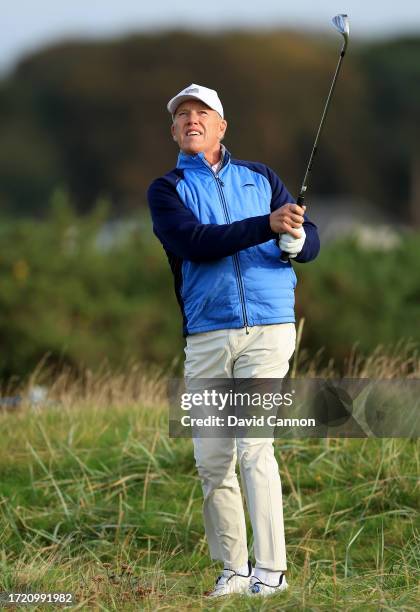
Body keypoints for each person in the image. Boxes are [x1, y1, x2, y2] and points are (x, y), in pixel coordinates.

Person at [147, 84, 320, 597]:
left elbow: (308, 241)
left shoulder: (261, 177)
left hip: (269, 328)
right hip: (206, 334)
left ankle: (270, 573)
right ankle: (234, 571)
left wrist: (296, 238)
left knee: (253, 447)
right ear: (175, 131)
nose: (191, 119)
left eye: (202, 113)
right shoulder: (168, 188)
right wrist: (266, 226)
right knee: (212, 459)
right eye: (182, 115)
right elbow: (193, 243)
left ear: (222, 127)